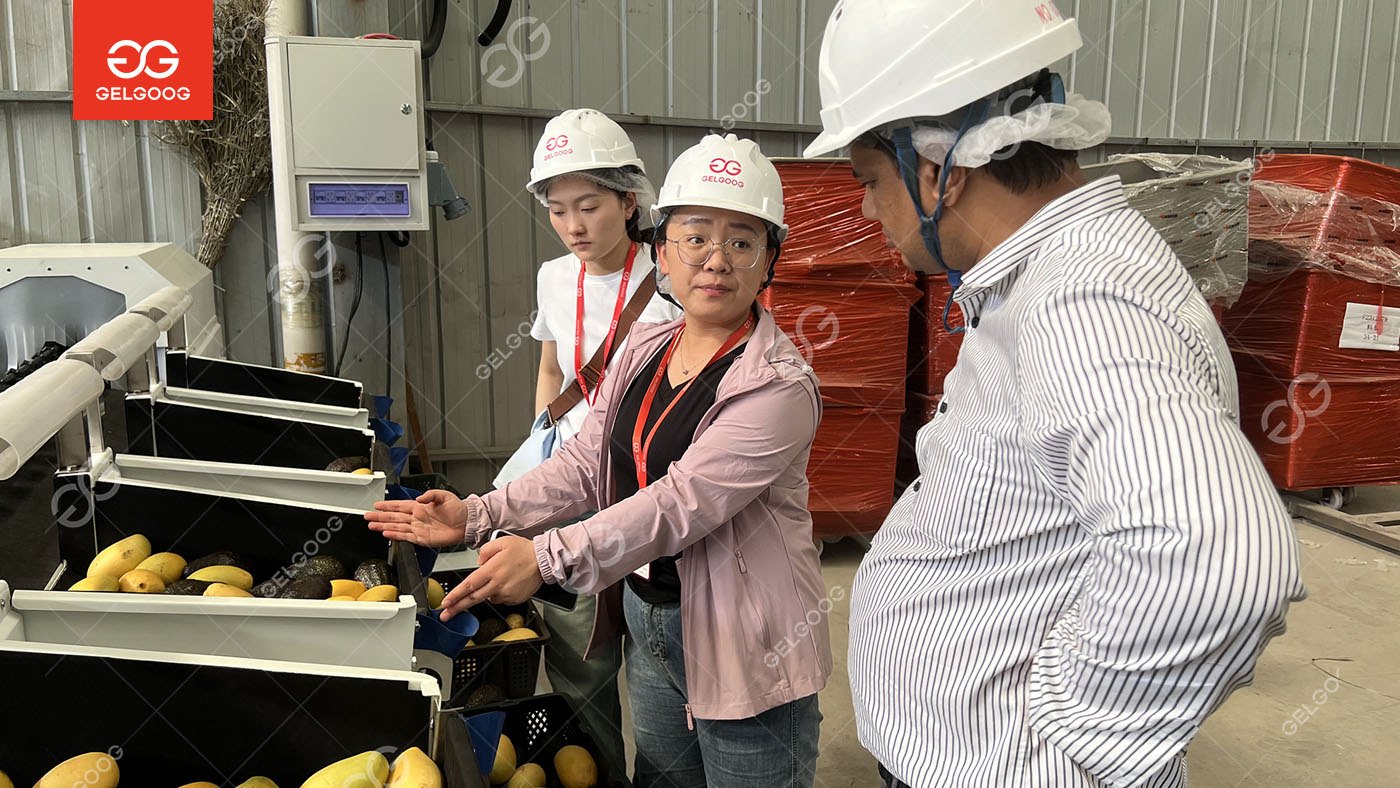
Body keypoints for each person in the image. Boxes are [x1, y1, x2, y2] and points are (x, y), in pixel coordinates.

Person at [803, 2, 1305, 787]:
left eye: (870, 179)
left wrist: (1079, 726)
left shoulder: (1082, 302)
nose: (867, 207)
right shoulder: (1050, 278)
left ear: (937, 169)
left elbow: (1215, 556)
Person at [369, 134, 831, 788]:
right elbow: (587, 463)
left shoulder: (777, 386)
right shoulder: (645, 348)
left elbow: (679, 505)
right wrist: (479, 514)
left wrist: (546, 555)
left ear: (768, 263)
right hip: (649, 618)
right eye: (695, 237)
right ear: (664, 252)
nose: (716, 261)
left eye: (743, 242)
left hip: (747, 639)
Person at [496, 108, 681, 774]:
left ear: (630, 201)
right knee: (581, 659)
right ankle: (598, 769)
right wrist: (540, 453)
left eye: (590, 206)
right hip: (575, 490)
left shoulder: (672, 281)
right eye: (558, 209)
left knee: (660, 657)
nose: (574, 225)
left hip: (649, 493)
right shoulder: (553, 277)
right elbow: (552, 368)